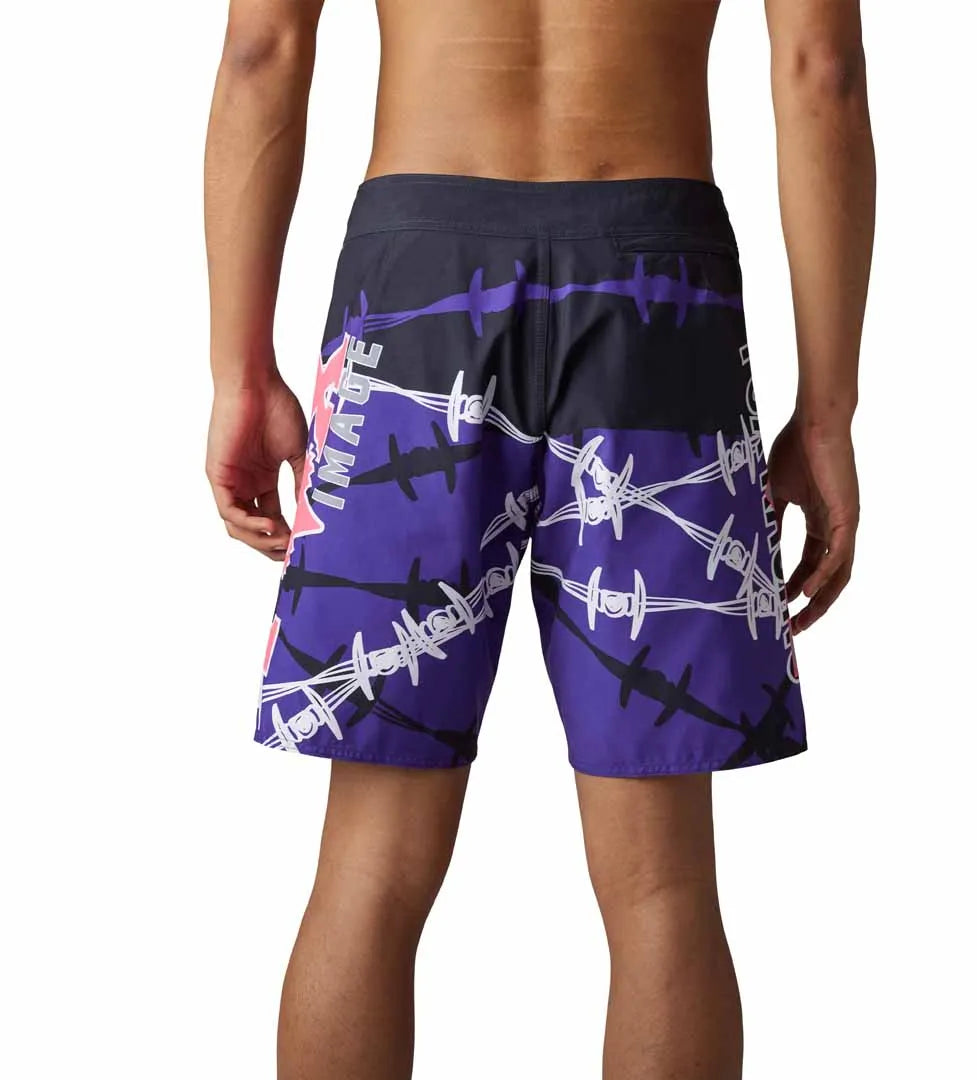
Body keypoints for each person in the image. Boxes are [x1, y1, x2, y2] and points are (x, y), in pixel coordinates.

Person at [204, 0, 874, 1075]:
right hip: (658, 290)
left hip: (417, 287)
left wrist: (240, 373)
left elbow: (260, 51)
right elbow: (820, 67)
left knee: (371, 861)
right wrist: (829, 414)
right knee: (661, 882)